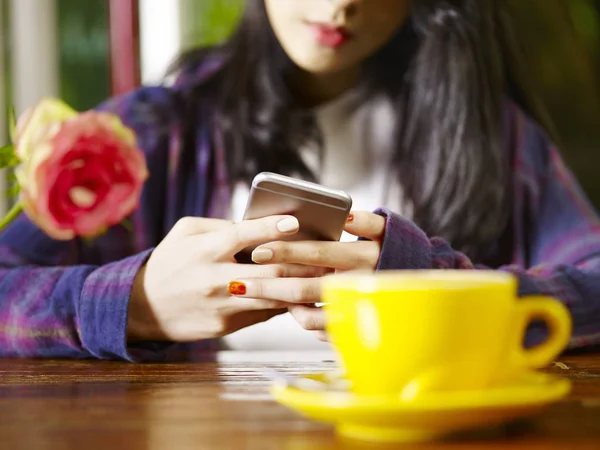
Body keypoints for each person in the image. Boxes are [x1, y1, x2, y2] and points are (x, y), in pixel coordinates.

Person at [1, 0, 599, 361]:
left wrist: (433, 292)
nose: (340, 5)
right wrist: (135, 305)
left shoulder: (490, 134)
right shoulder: (157, 131)